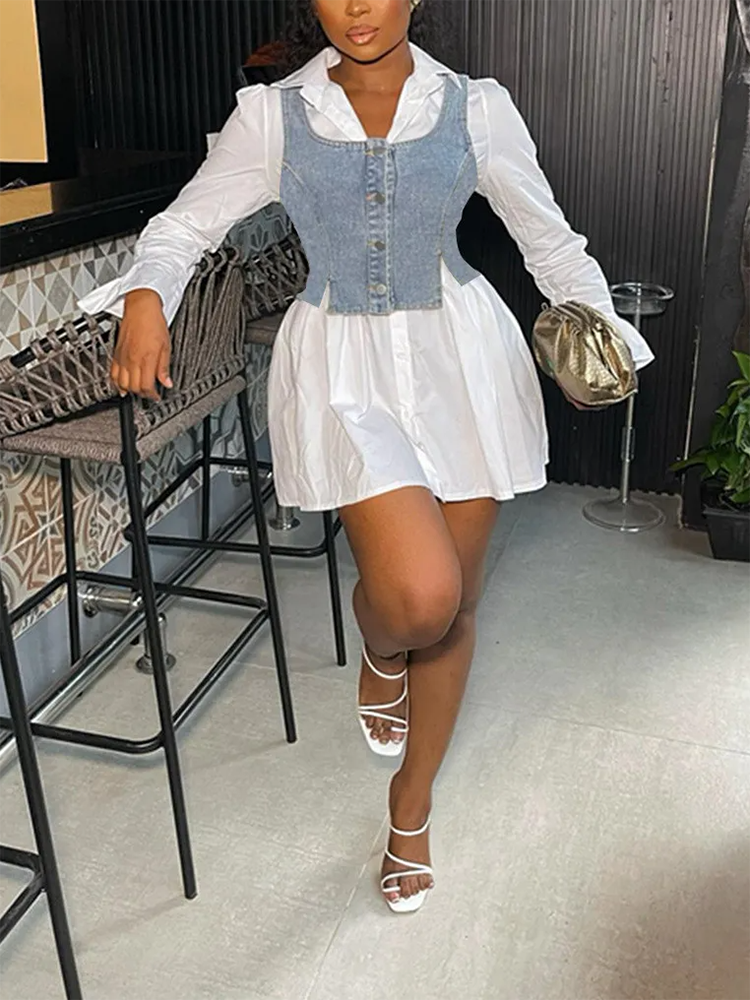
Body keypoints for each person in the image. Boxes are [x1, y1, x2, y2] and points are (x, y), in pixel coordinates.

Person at [80, 0, 654, 914]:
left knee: (458, 605)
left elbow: (549, 240)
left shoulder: (475, 107)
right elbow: (185, 226)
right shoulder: (274, 116)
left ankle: (410, 807)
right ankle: (382, 648)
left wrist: (601, 334)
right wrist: (148, 296)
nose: (356, 7)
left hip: (463, 363)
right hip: (342, 371)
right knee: (419, 599)